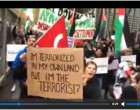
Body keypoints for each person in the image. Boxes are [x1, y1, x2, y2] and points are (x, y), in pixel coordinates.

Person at [11, 35, 37, 99]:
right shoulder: (20, 54)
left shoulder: (41, 54)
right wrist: (21, 61)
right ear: (26, 42)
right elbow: (15, 73)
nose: (31, 43)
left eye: (33, 41)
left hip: (37, 89)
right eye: (30, 41)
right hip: (25, 88)